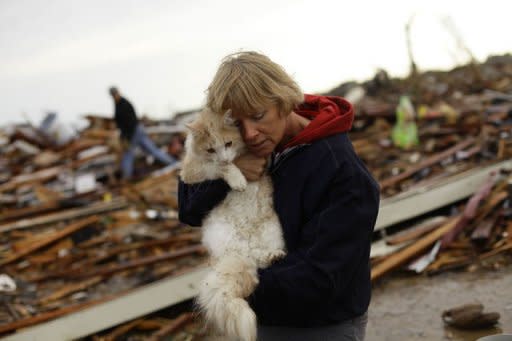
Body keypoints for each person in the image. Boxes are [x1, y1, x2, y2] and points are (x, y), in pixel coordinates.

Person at [178, 52, 380, 340]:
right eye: (237, 122)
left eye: (258, 116)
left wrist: (239, 284)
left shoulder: (342, 172)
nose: (249, 134)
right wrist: (227, 174)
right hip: (264, 318)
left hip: (323, 326)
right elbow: (188, 209)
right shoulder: (238, 148)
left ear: (283, 101)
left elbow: (321, 278)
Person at [109, 87, 177, 179]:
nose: (115, 96)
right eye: (113, 95)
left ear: (118, 93)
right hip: (135, 131)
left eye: (115, 94)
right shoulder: (117, 105)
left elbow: (130, 122)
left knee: (128, 155)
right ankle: (173, 163)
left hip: (134, 132)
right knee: (152, 150)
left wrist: (127, 137)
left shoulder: (124, 104)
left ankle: (126, 177)